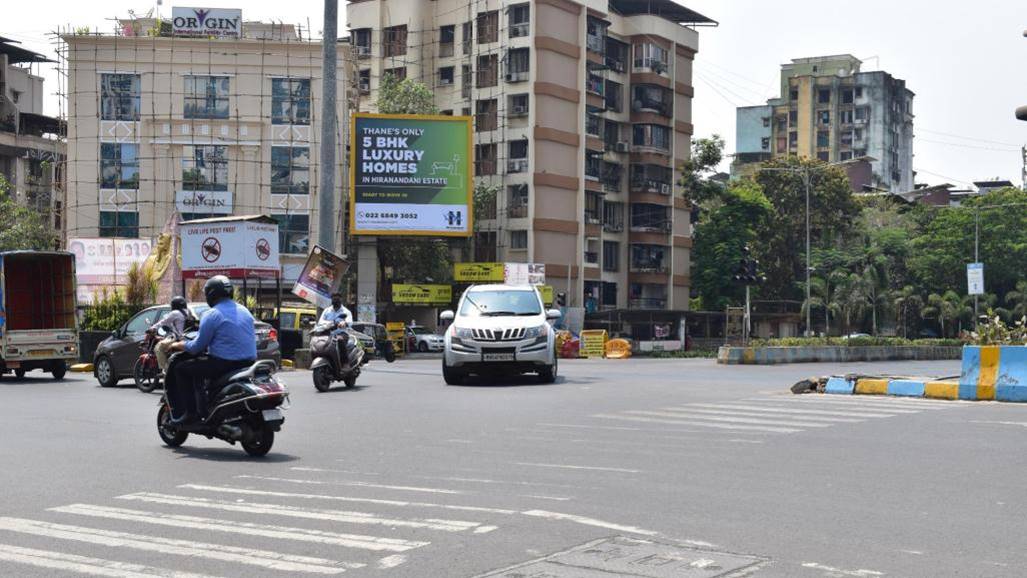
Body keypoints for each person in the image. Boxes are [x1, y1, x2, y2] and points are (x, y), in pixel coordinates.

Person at [165, 276, 256, 425]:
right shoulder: (244, 310)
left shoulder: (212, 314)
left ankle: (191, 413)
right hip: (249, 362)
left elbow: (196, 348)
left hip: (224, 364)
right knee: (199, 367)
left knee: (182, 369)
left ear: (211, 295)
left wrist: (178, 345)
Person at [148, 296, 194, 372]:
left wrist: (152, 328)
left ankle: (165, 370)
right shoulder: (189, 311)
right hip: (189, 338)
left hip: (178, 339)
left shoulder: (175, 313)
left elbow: (163, 322)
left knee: (158, 347)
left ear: (174, 305)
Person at [319, 293, 353, 368]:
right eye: (334, 298)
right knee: (318, 341)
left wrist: (344, 322)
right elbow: (320, 322)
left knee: (340, 340)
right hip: (328, 333)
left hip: (341, 333)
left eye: (337, 298)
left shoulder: (346, 311)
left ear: (341, 299)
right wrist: (331, 323)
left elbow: (350, 322)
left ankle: (345, 363)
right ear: (331, 299)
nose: (335, 300)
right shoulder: (326, 311)